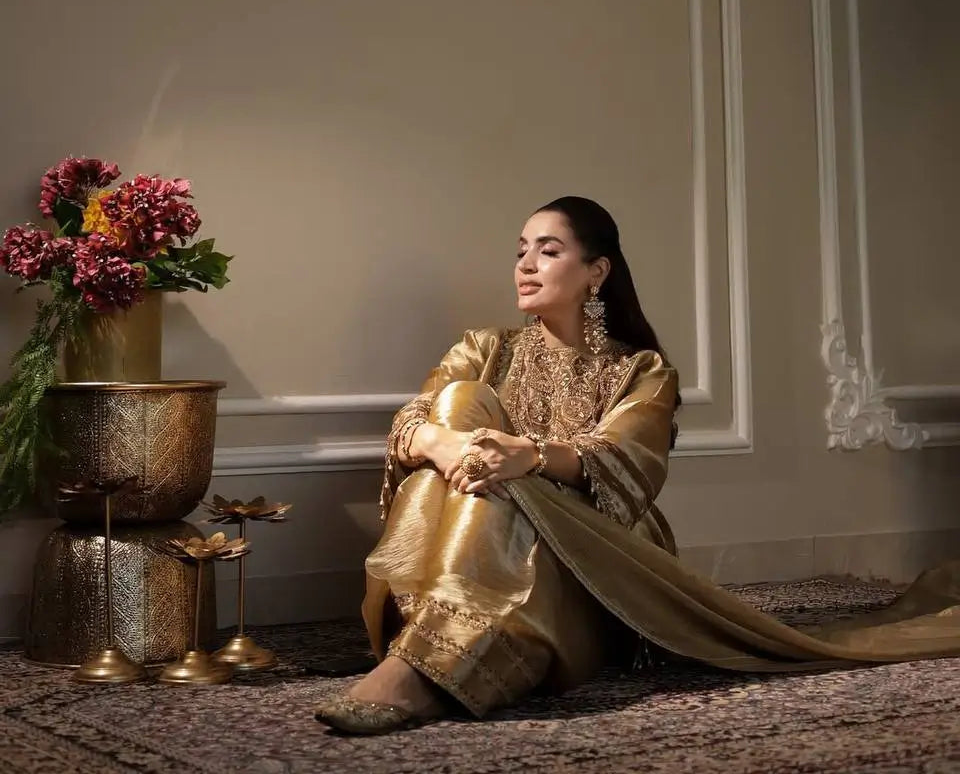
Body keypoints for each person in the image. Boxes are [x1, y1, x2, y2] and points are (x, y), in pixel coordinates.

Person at [315, 196, 960, 735]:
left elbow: (626, 461)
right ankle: (431, 651)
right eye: (521, 250)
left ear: (596, 272)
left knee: (505, 481)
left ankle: (419, 672)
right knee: (459, 410)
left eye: (548, 250)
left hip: (600, 557)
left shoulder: (641, 371)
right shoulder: (483, 349)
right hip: (466, 543)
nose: (526, 265)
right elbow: (412, 423)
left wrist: (530, 457)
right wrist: (451, 448)